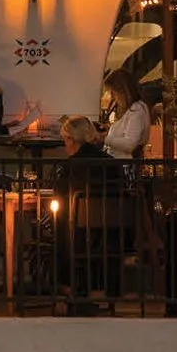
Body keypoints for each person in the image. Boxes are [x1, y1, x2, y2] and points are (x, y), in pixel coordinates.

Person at [53, 114, 132, 299]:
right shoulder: (111, 163)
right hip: (113, 234)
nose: (65, 146)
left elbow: (60, 198)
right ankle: (108, 288)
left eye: (65, 140)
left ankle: (67, 284)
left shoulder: (69, 167)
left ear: (71, 140)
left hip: (79, 236)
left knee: (59, 224)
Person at [101, 72, 151, 162]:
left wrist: (104, 139)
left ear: (123, 91)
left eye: (113, 93)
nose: (112, 97)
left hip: (125, 166)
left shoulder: (136, 110)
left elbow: (129, 144)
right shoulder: (129, 110)